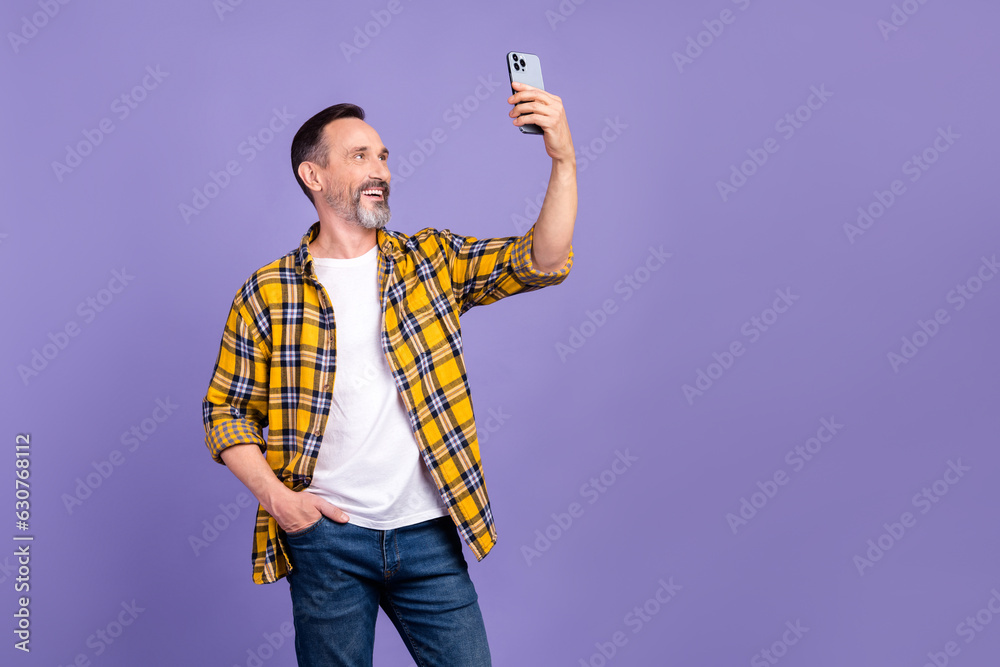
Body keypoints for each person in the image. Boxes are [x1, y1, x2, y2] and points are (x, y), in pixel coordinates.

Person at [201, 81, 576, 666]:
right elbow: (225, 410)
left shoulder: (430, 261)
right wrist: (279, 501)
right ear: (313, 176)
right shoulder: (269, 291)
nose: (380, 169)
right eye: (359, 156)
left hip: (428, 533)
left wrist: (563, 158)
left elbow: (542, 260)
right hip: (325, 540)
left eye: (382, 156)